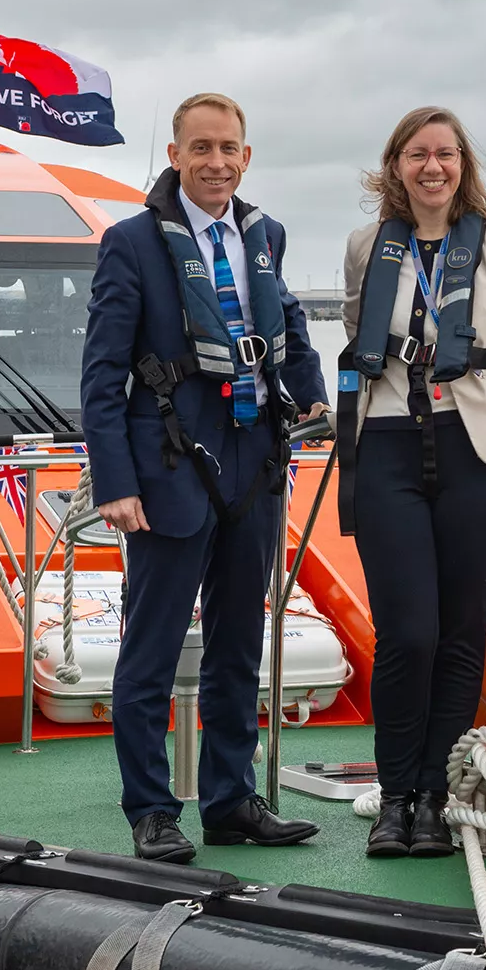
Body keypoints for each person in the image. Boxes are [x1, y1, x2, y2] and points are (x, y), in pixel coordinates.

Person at [80, 92, 330, 863]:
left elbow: (285, 323)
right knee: (151, 650)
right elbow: (102, 374)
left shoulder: (267, 236)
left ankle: (229, 799)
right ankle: (151, 809)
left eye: (229, 149)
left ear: (245, 157)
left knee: (237, 648)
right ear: (175, 156)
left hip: (254, 466)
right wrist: (114, 481)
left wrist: (316, 394)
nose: (216, 162)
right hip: (168, 471)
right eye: (202, 149)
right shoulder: (130, 244)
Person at [337, 107, 486, 857]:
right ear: (396, 165)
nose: (434, 167)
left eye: (447, 154)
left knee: (461, 637)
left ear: (464, 165)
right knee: (408, 633)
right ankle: (395, 796)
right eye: (418, 154)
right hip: (390, 443)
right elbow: (359, 351)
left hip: (477, 450)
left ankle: (437, 795)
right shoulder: (367, 248)